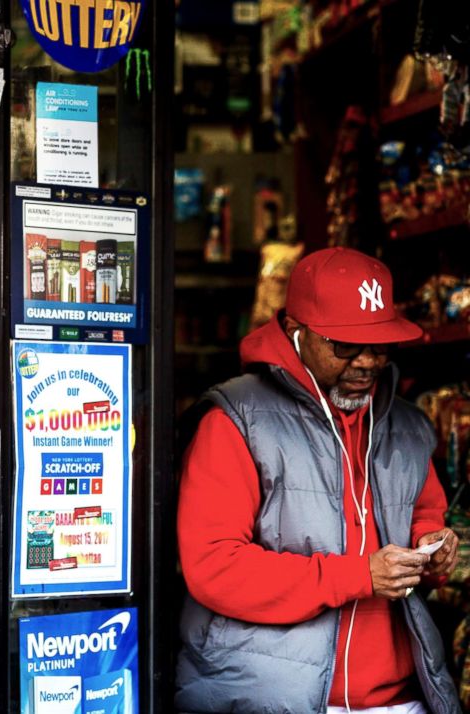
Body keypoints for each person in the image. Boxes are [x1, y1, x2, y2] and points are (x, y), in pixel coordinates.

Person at [175, 247, 461, 714]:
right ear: (295, 333)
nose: (368, 362)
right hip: (278, 696)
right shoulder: (238, 421)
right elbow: (214, 566)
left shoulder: (406, 424)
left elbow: (425, 511)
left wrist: (430, 547)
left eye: (379, 344)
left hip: (402, 698)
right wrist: (358, 575)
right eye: (345, 345)